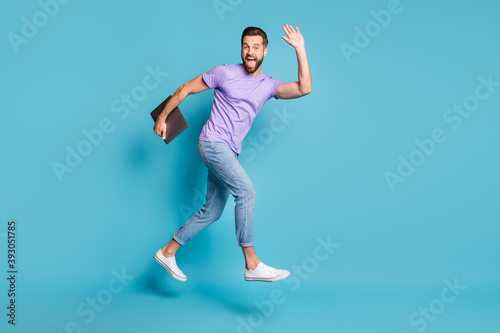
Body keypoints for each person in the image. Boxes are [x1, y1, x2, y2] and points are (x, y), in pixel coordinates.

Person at [153, 24, 312, 282]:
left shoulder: (268, 85)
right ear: (241, 49)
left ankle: (168, 252)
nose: (250, 52)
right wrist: (162, 117)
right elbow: (185, 88)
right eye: (246, 46)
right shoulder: (224, 73)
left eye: (256, 47)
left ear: (265, 52)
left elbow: (305, 88)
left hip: (229, 152)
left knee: (213, 211)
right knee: (247, 192)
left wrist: (300, 49)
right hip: (212, 144)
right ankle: (252, 262)